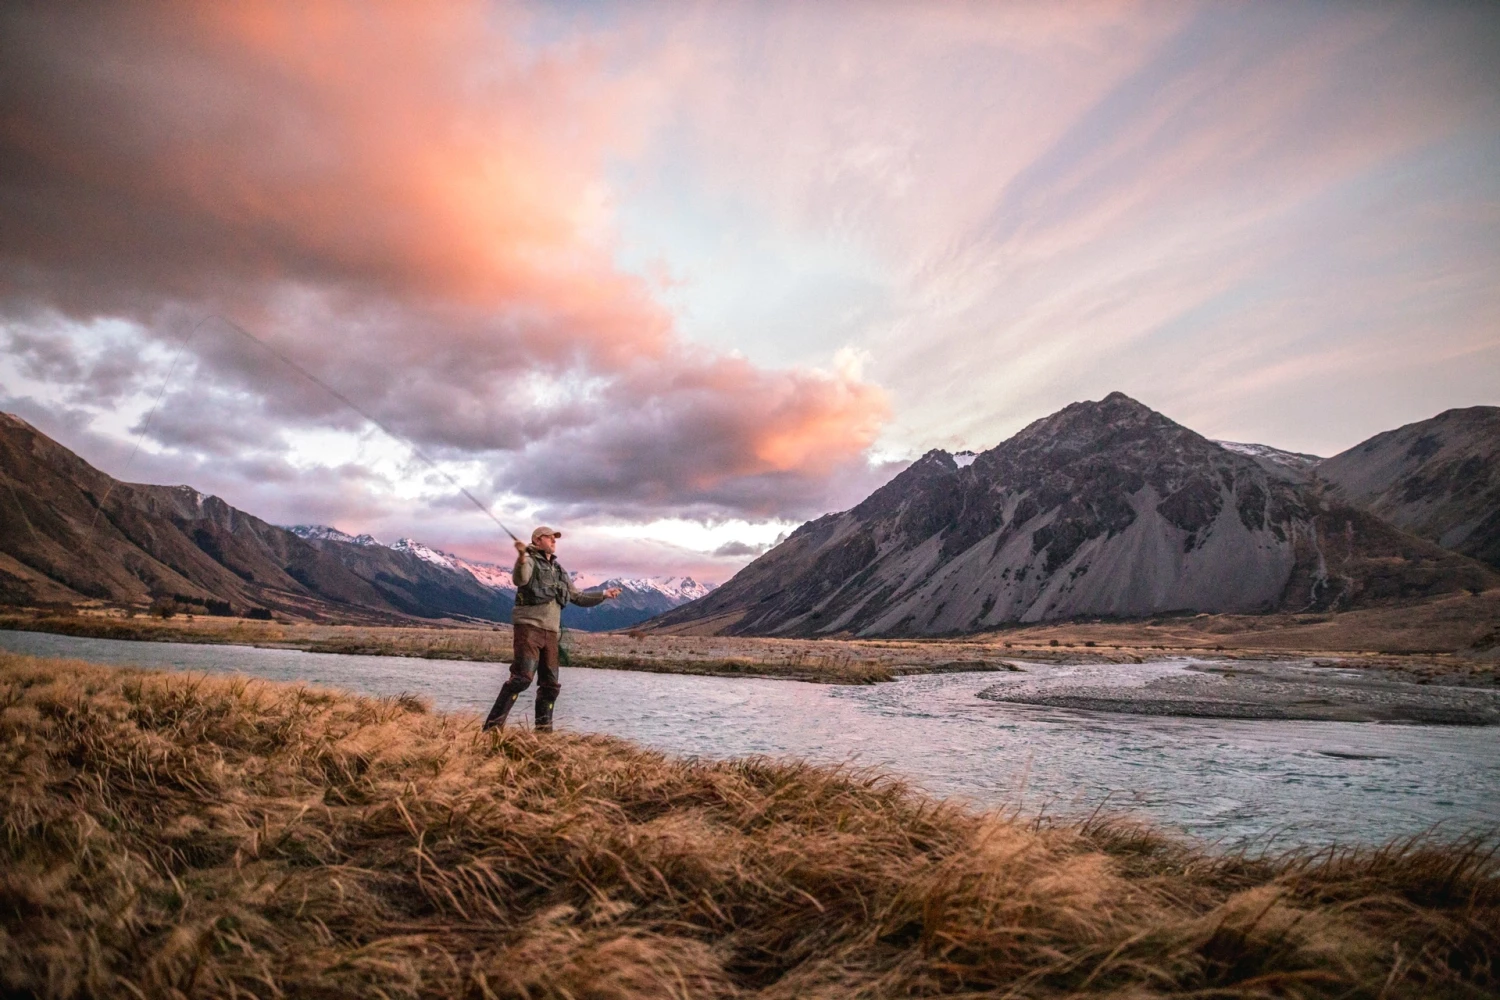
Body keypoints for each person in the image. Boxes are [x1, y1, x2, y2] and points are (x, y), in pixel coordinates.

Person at [481, 526, 621, 732]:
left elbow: (578, 597)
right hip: (529, 628)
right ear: (537, 541)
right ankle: (491, 729)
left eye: (555, 538)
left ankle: (544, 735)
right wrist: (520, 558)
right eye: (550, 537)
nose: (554, 541)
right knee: (521, 679)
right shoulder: (528, 560)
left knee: (550, 685)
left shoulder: (559, 570)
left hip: (551, 633)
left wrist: (603, 595)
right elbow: (520, 579)